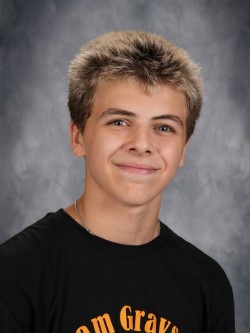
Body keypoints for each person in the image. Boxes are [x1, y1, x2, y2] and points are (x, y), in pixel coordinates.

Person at [0, 31, 235, 333]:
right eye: (119, 122)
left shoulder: (206, 284)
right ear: (78, 137)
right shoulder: (15, 275)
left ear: (182, 151)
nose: (142, 144)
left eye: (164, 127)